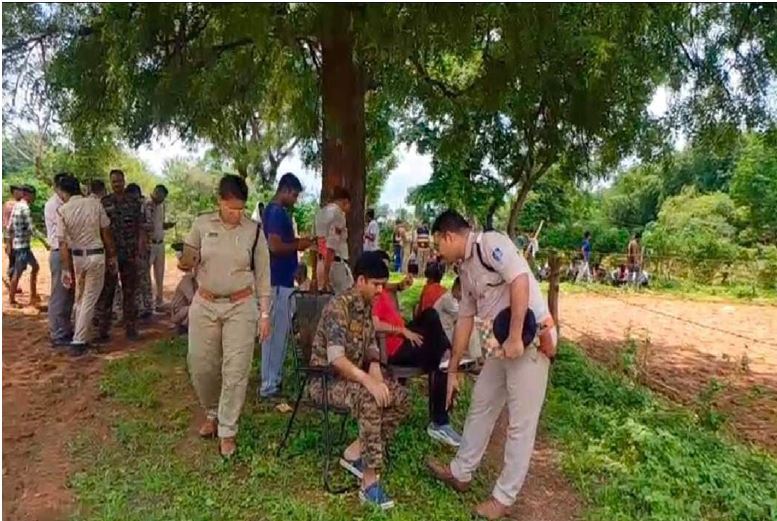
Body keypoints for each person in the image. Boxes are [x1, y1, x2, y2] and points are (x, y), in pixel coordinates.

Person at [425, 209, 557, 520]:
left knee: (520, 425)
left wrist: (515, 336)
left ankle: (503, 499)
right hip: (503, 346)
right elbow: (465, 319)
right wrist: (453, 370)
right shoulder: (465, 269)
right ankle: (461, 471)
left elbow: (520, 280)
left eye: (438, 244)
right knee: (481, 403)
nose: (438, 252)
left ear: (449, 236)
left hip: (530, 339)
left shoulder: (490, 244)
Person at [307, 252, 409, 509]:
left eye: (383, 285)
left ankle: (355, 453)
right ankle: (369, 483)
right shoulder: (338, 307)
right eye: (376, 284)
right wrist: (368, 382)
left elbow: (371, 346)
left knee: (400, 397)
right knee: (369, 399)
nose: (381, 291)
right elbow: (336, 359)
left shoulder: (366, 306)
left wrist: (376, 374)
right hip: (326, 381)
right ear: (361, 280)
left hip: (351, 380)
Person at [179, 174, 272, 457]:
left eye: (240, 209)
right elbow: (186, 259)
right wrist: (186, 260)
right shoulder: (201, 224)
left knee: (236, 369)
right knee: (200, 364)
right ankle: (212, 411)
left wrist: (264, 314)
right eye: (231, 208)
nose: (235, 214)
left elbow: (263, 275)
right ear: (219, 201)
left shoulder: (254, 231)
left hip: (241, 306)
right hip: (205, 303)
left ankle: (228, 429)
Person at [369, 259, 462, 447]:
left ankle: (445, 353)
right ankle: (439, 422)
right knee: (440, 359)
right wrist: (401, 330)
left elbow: (391, 288)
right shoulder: (374, 296)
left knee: (430, 314)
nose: (382, 284)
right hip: (396, 349)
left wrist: (399, 286)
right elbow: (374, 324)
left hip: (406, 337)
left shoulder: (382, 290)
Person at [260, 173, 313, 399]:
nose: (295, 200)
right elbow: (274, 246)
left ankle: (274, 379)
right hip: (276, 282)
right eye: (295, 195)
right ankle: (269, 384)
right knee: (273, 335)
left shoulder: (279, 212)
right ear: (286, 190)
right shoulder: (275, 212)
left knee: (279, 333)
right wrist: (299, 244)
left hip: (283, 280)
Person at [56, 175, 117, 356]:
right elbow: (106, 232)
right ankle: (79, 340)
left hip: (78, 258)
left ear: (63, 191)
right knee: (89, 298)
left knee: (81, 297)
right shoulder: (94, 204)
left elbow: (62, 244)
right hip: (96, 256)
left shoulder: (63, 211)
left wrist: (65, 269)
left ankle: (82, 334)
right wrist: (112, 256)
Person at [95, 169, 145, 342]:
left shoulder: (134, 202)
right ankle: (103, 330)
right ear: (110, 183)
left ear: (124, 181)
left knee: (130, 291)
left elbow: (140, 226)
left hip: (130, 253)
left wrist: (140, 247)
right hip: (111, 254)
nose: (116, 184)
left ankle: (131, 328)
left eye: (119, 181)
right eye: (113, 181)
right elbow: (100, 229)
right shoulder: (104, 202)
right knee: (107, 292)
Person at [45, 173, 75, 347]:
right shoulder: (53, 205)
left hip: (68, 252)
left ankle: (65, 328)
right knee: (60, 293)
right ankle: (57, 332)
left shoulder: (65, 203)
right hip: (59, 252)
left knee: (68, 292)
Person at [7, 185, 47, 307]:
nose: (34, 198)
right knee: (18, 273)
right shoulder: (25, 208)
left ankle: (33, 295)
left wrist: (9, 242)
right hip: (22, 246)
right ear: (28, 195)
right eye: (33, 195)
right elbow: (32, 228)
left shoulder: (16, 206)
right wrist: (45, 242)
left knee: (35, 267)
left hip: (19, 245)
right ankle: (12, 300)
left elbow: (9, 227)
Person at [314, 187, 353, 294]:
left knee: (325, 299)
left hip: (321, 262)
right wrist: (326, 274)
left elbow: (316, 243)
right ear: (345, 201)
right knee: (343, 299)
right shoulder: (338, 215)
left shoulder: (320, 214)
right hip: (335, 264)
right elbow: (332, 245)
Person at [127, 183, 154, 319]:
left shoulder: (144, 206)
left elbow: (150, 225)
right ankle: (138, 306)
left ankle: (147, 306)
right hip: (131, 248)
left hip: (142, 247)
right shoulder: (129, 207)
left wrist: (139, 227)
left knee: (144, 278)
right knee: (134, 279)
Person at [145, 184, 174, 311]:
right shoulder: (147, 204)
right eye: (161, 197)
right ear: (156, 192)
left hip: (160, 243)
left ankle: (159, 300)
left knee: (160, 273)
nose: (162, 200)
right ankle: (147, 302)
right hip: (149, 243)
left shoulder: (161, 206)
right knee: (146, 274)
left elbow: (159, 224)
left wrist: (166, 225)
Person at [3, 184, 23, 289]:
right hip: (12, 237)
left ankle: (12, 282)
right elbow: (6, 223)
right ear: (14, 192)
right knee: (14, 260)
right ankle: (10, 280)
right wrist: (7, 241)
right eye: (19, 191)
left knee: (16, 260)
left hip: (19, 237)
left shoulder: (19, 204)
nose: (21, 193)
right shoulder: (9, 205)